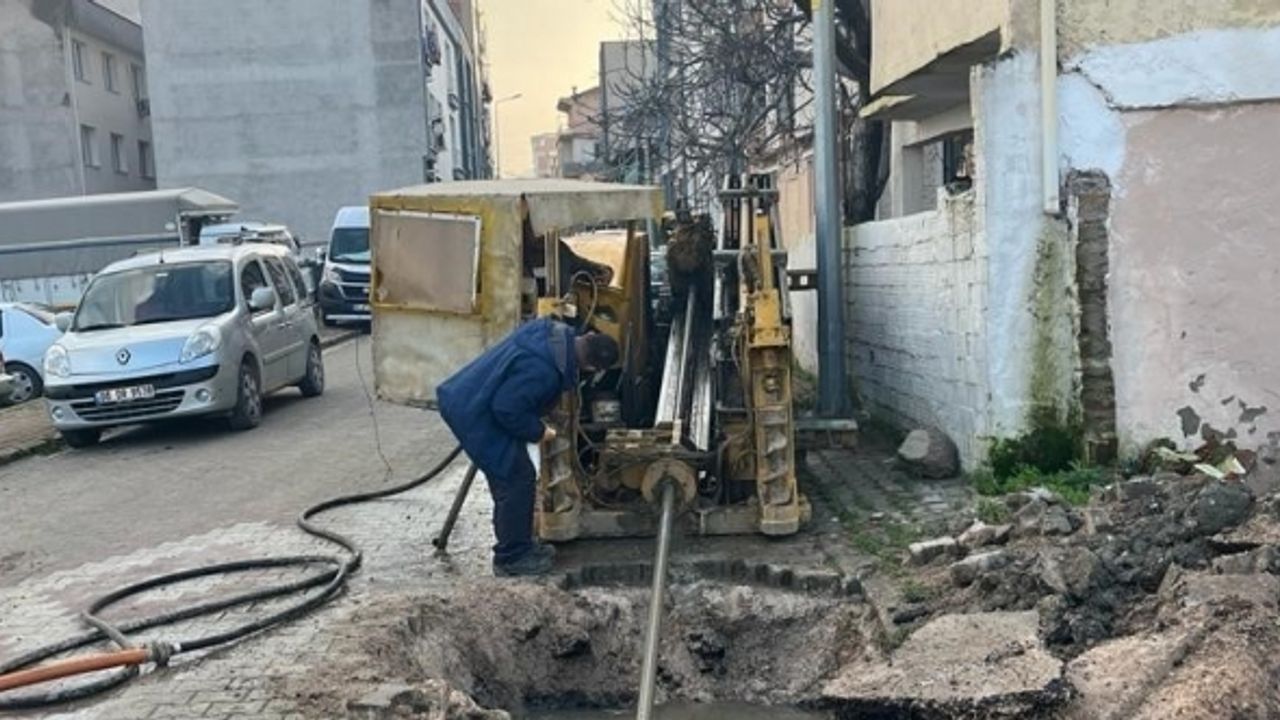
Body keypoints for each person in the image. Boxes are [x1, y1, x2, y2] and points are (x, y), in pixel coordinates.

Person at [437, 318, 620, 576]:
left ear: (588, 335)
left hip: (472, 397)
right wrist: (538, 431)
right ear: (590, 367)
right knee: (515, 478)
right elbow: (506, 408)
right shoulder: (544, 371)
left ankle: (521, 545)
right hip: (474, 412)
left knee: (514, 475)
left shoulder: (551, 333)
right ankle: (511, 558)